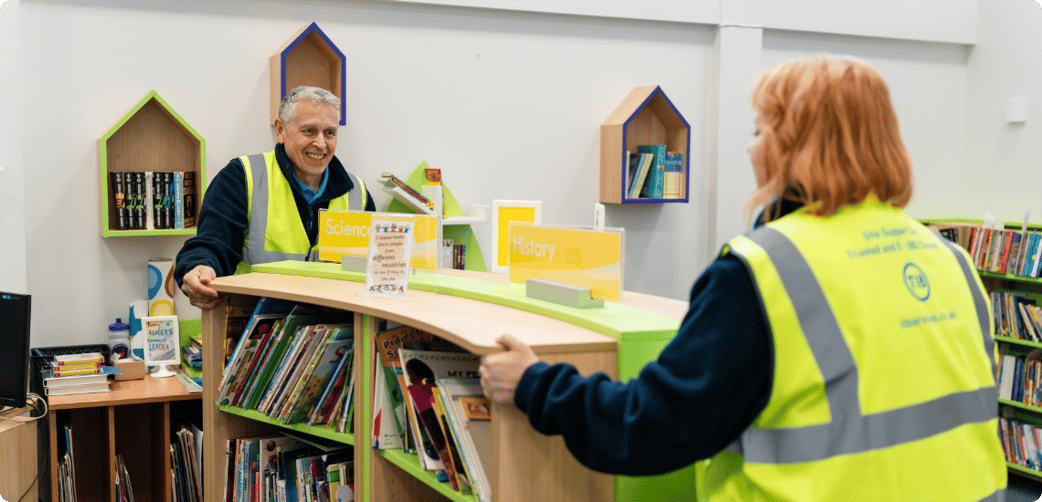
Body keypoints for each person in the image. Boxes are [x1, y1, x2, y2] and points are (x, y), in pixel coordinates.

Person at [479, 56, 1006, 501]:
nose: (753, 151)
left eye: (761, 132)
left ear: (793, 147)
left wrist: (535, 383)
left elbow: (652, 428)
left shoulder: (767, 270)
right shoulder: (950, 259)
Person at [175, 86, 375, 309]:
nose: (321, 143)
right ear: (280, 130)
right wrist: (201, 266)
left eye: (330, 133)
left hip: (333, 334)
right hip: (255, 331)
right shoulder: (241, 177)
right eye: (309, 131)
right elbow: (213, 243)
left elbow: (374, 269)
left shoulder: (359, 193)